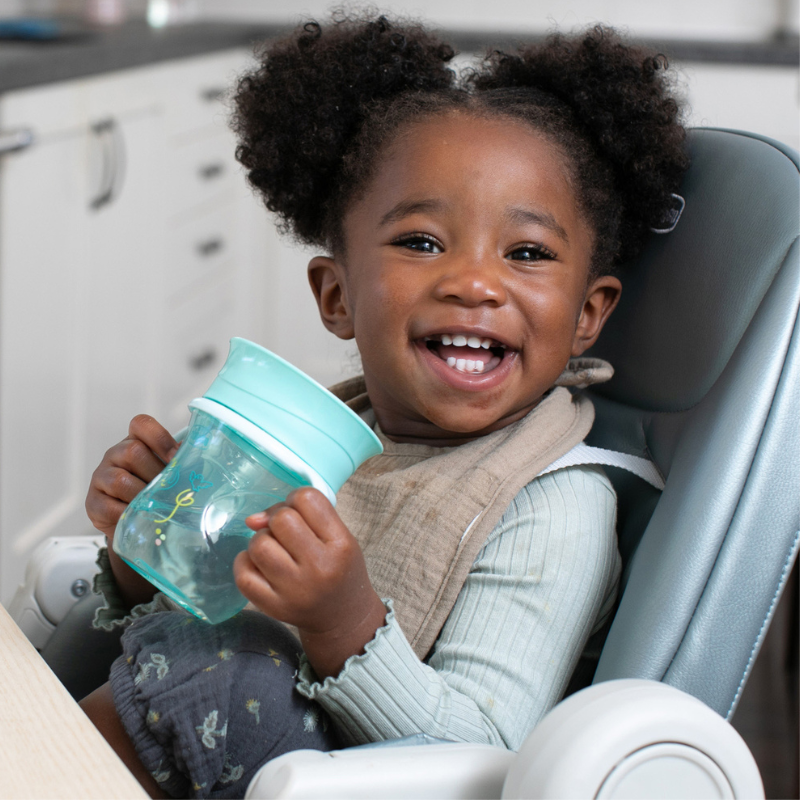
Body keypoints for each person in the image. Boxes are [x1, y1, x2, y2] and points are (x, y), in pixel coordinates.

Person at [79, 13, 689, 799]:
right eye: (422, 243)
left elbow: (487, 759)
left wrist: (344, 624)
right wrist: (144, 549)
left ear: (586, 316)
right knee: (179, 644)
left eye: (527, 253)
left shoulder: (552, 505)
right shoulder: (333, 437)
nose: (474, 283)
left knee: (227, 669)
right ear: (337, 296)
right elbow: (200, 608)